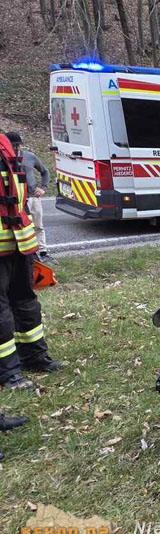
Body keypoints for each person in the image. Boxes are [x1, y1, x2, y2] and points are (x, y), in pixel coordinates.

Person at [0, 132, 66, 390]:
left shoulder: (5, 143)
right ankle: (9, 372)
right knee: (1, 311)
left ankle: (34, 356)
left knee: (26, 300)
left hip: (20, 241)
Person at [5, 133, 53, 264]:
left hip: (32, 198)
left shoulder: (30, 157)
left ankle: (43, 252)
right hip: (15, 202)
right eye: (11, 145)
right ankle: (25, 256)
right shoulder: (4, 159)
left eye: (16, 145)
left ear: (20, 144)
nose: (14, 148)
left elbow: (45, 171)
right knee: (20, 227)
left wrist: (43, 187)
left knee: (38, 226)